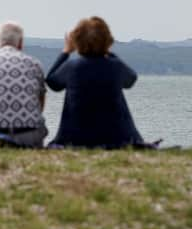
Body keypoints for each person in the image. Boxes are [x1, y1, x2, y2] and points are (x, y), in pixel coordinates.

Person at [46, 16, 144, 148]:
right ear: (108, 41)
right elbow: (131, 79)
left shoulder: (72, 67)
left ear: (76, 41)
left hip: (75, 139)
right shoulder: (115, 66)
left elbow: (52, 82)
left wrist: (66, 52)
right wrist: (108, 52)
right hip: (119, 139)